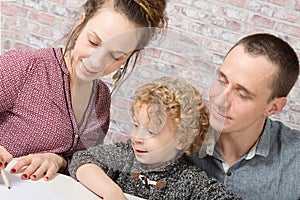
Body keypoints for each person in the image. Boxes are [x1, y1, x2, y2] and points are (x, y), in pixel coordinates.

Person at [0, 0, 168, 181]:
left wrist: (58, 160)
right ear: (80, 24)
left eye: (115, 56)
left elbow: (83, 161)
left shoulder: (101, 99)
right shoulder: (26, 67)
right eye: (93, 42)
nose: (96, 61)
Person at [69, 77, 241, 199]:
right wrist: (112, 192)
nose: (137, 137)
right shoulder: (125, 156)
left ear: (182, 139)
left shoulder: (190, 182)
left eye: (151, 132)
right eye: (136, 125)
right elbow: (82, 160)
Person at [189, 33, 300, 199]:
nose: (220, 100)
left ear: (273, 107)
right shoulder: (176, 134)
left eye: (241, 94)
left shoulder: (295, 162)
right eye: (222, 80)